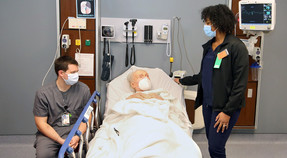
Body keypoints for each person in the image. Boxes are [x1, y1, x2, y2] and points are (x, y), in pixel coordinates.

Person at [174, 4, 249, 158]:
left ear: (218, 23)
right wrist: (182, 80)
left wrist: (227, 112)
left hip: (225, 107)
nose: (206, 26)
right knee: (213, 143)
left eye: (208, 23)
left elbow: (240, 85)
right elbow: (204, 75)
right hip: (208, 105)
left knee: (216, 147)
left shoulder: (237, 47)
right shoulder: (209, 47)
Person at [33, 56, 91, 158]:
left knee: (91, 151)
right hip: (51, 132)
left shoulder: (83, 90)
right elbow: (41, 124)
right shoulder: (43, 94)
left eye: (77, 72)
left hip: (75, 130)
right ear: (61, 73)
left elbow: (87, 117)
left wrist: (77, 136)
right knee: (44, 155)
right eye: (73, 73)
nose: (76, 75)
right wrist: (61, 141)